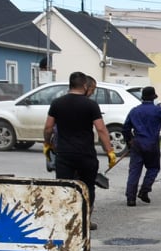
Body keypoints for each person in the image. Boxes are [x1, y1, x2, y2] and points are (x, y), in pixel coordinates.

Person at [43, 71, 115, 227]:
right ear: (84, 85)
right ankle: (85, 221)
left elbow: (48, 127)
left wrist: (47, 144)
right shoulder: (91, 105)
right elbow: (101, 129)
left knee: (64, 187)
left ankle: (65, 221)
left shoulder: (57, 103)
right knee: (87, 187)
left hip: (64, 154)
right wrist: (109, 151)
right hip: (85, 154)